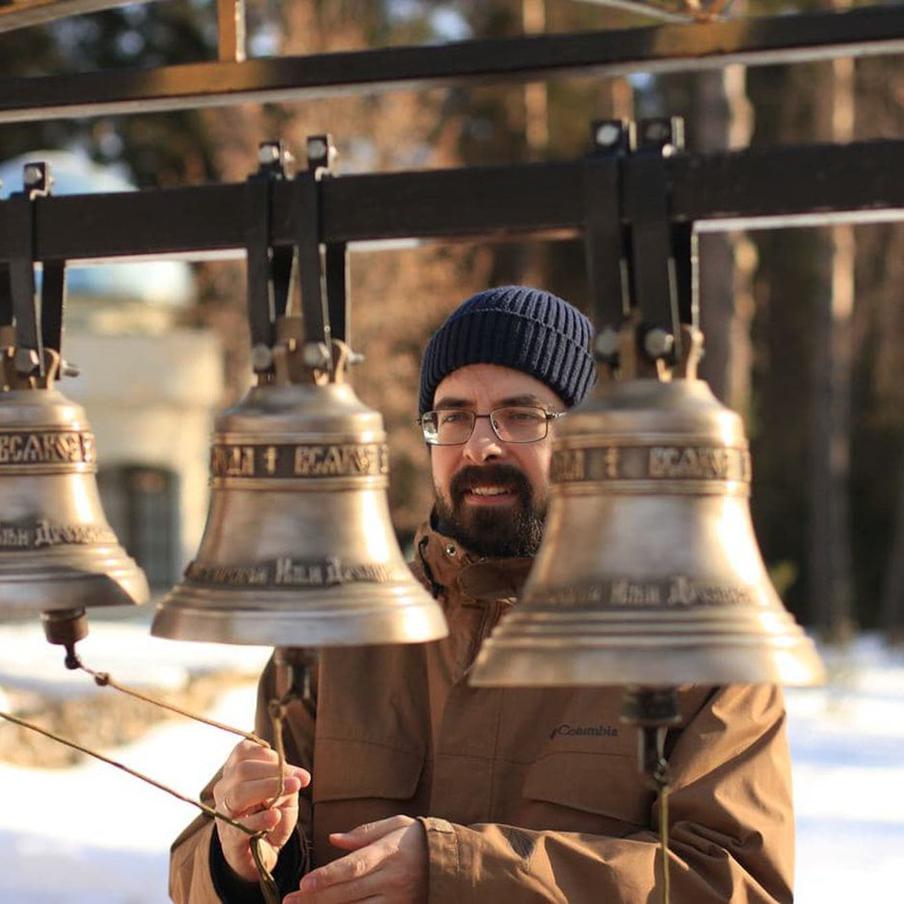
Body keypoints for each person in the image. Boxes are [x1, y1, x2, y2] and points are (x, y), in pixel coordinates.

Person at [170, 286, 794, 903]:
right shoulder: (338, 634)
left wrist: (460, 871)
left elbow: (737, 887)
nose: (479, 445)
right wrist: (240, 859)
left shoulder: (703, 649)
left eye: (522, 416)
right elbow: (210, 869)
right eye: (454, 416)